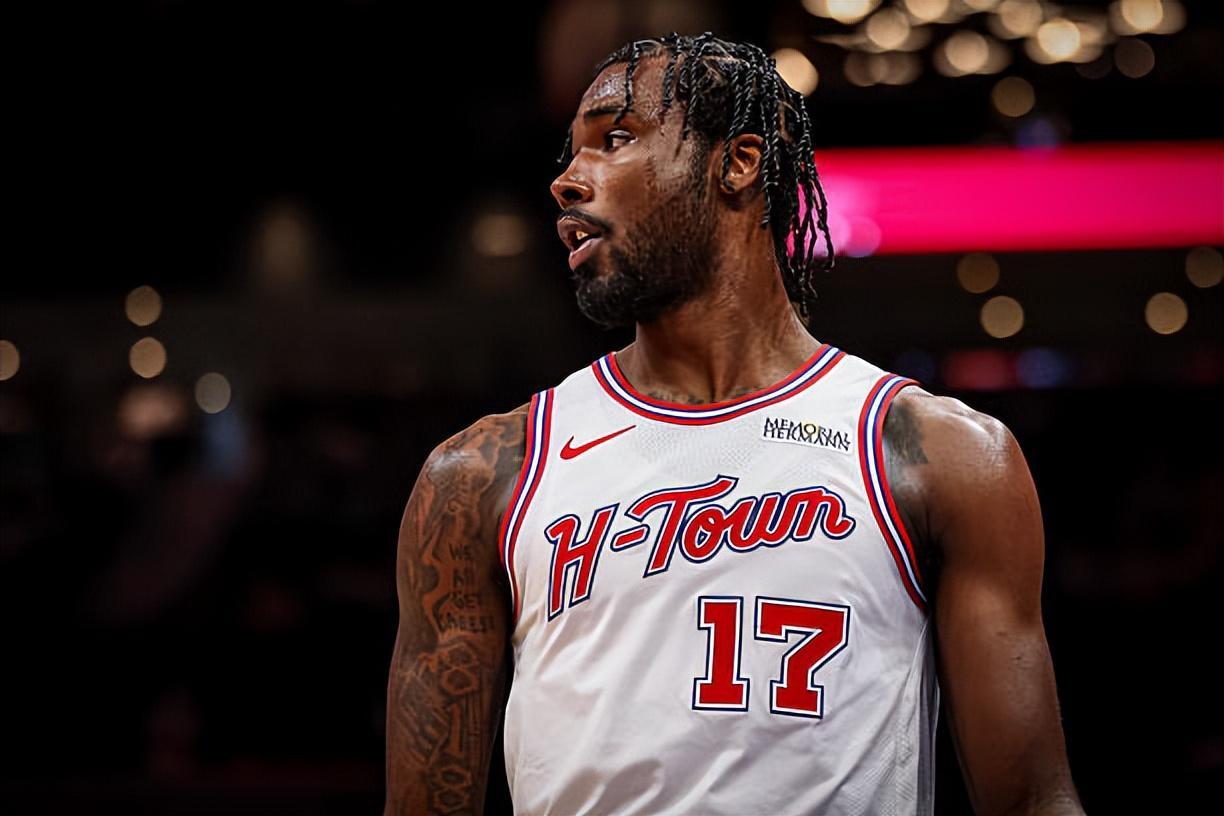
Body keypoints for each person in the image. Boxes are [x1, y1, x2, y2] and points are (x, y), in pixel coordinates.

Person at [384, 32, 1083, 816]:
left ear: (739, 163)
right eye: (569, 153)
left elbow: (1031, 801)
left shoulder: (936, 454)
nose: (568, 181)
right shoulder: (486, 472)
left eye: (616, 138)